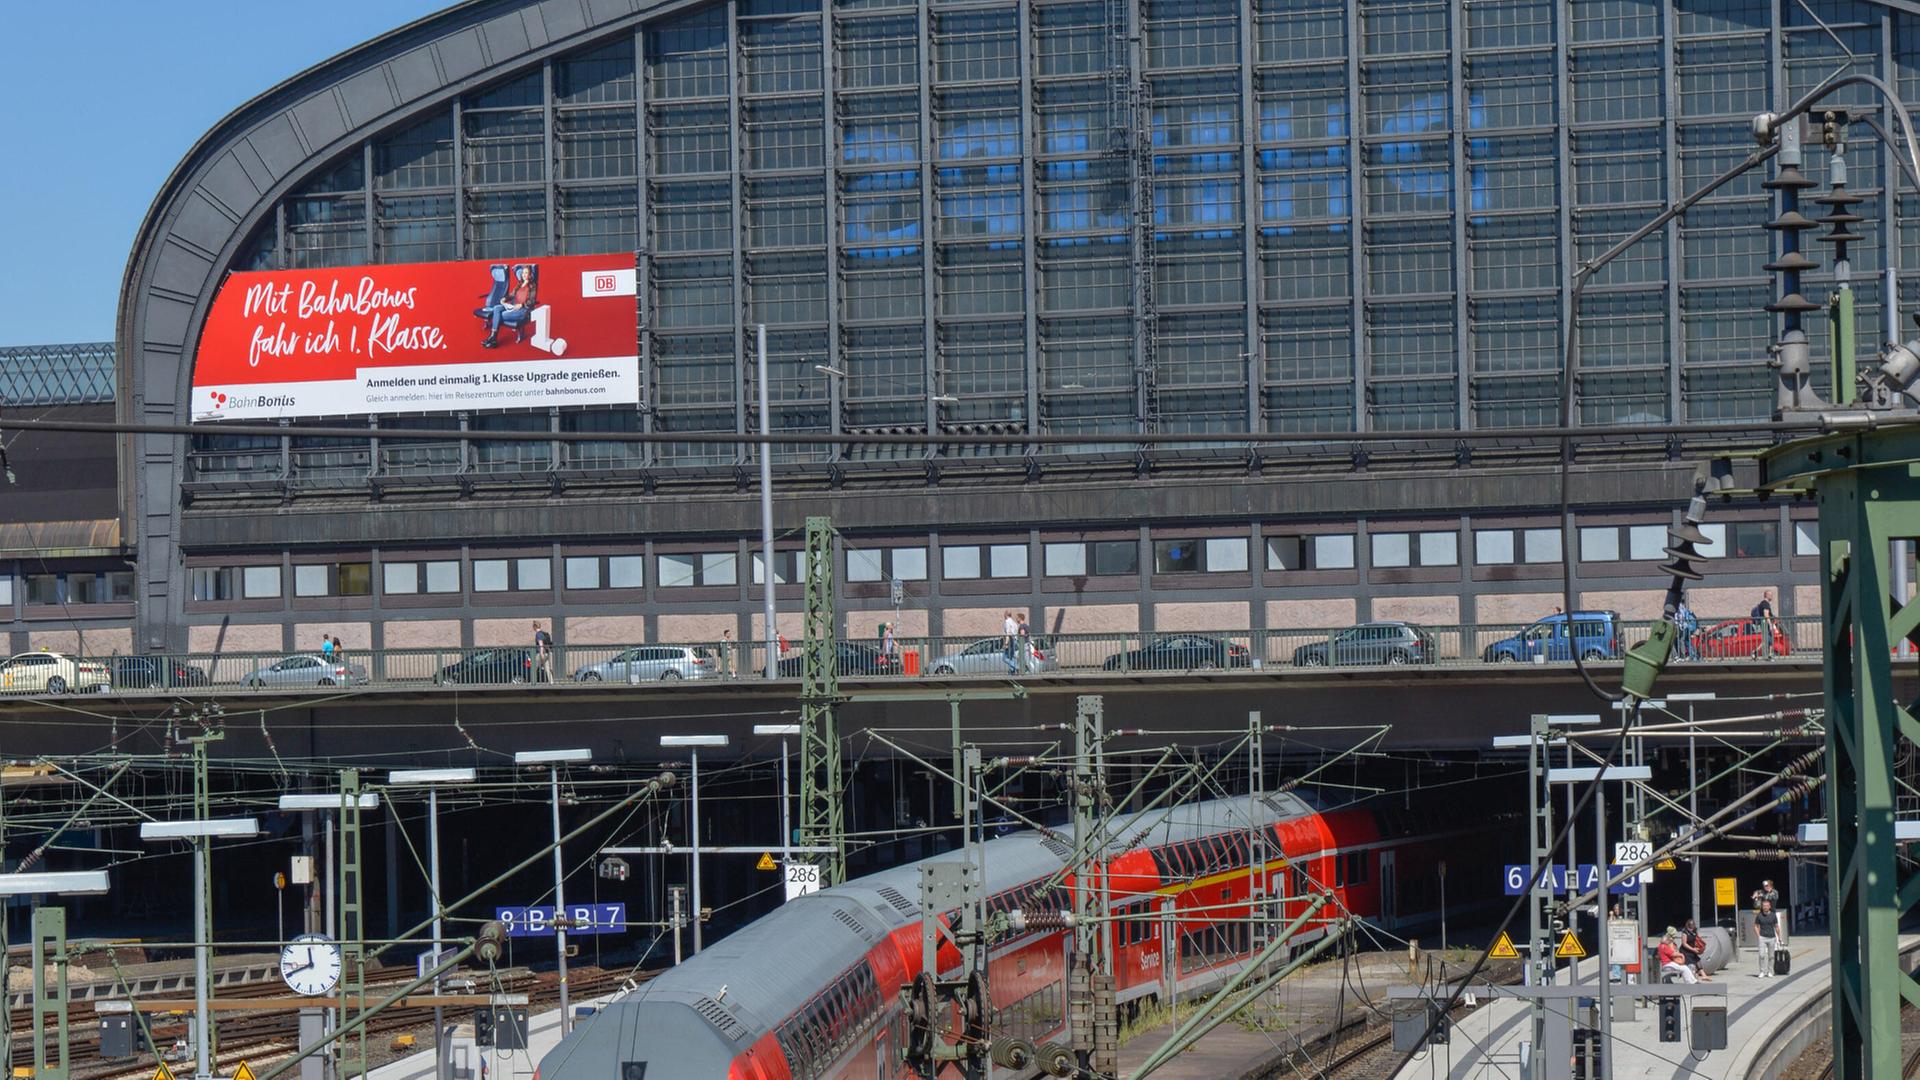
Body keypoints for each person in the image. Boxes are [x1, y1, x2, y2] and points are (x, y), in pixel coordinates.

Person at [480, 264, 535, 348]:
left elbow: (531, 301)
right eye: (523, 273)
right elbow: (512, 295)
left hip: (522, 310)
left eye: (526, 273)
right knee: (496, 308)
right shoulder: (519, 284)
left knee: (500, 315)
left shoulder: (532, 286)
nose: (524, 274)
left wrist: (522, 304)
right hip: (513, 306)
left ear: (530, 274)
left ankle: (493, 339)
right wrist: (504, 299)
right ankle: (492, 337)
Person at [1754, 899, 1780, 977]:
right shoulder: (1759, 915)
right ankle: (1762, 971)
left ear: (1769, 906)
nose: (1765, 907)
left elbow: (1776, 926)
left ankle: (1770, 971)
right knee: (1761, 955)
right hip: (1762, 937)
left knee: (1771, 956)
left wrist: (1779, 937)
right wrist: (1758, 936)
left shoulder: (1773, 915)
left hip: (1772, 937)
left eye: (1766, 906)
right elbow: (1755, 926)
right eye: (1763, 906)